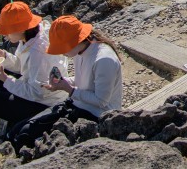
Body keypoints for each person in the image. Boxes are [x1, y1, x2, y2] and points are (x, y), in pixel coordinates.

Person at [0, 3, 68, 148]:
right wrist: (3, 56)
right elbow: (21, 65)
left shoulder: (39, 51)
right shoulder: (30, 37)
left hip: (43, 104)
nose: (4, 34)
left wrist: (5, 78)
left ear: (22, 28)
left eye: (8, 30)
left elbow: (37, 92)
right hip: (32, 92)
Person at [9, 16, 123, 151]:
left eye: (62, 48)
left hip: (95, 115)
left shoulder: (104, 59)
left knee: (25, 135)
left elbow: (101, 101)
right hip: (76, 105)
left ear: (75, 41)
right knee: (17, 130)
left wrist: (69, 90)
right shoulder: (82, 50)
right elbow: (85, 80)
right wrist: (62, 83)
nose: (62, 52)